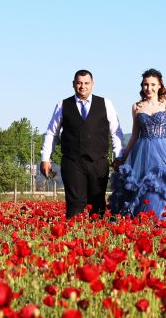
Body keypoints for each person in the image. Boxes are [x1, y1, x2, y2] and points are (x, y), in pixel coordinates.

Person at [109, 69, 166, 219]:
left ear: (160, 85)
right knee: (144, 188)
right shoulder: (137, 107)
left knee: (164, 186)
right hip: (142, 152)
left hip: (164, 151)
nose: (149, 88)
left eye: (153, 84)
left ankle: (164, 219)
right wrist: (123, 158)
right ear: (142, 86)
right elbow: (134, 135)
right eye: (146, 84)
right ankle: (144, 220)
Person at [39, 70, 124, 219]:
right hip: (72, 162)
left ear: (93, 84)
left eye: (86, 83)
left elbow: (116, 133)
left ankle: (96, 237)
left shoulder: (105, 103)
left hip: (98, 162)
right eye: (79, 83)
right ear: (73, 84)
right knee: (74, 203)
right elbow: (52, 133)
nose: (82, 86)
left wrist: (119, 157)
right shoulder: (63, 105)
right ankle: (73, 235)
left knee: (97, 204)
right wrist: (46, 158)